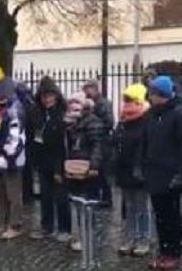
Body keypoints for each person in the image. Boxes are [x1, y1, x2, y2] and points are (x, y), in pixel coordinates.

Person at [140, 76, 182, 269]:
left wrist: (181, 173)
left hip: (171, 174)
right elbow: (146, 142)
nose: (150, 96)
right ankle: (164, 252)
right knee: (160, 216)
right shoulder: (152, 114)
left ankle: (174, 252)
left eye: (153, 93)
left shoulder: (180, 114)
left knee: (172, 217)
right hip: (154, 173)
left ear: (161, 94)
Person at [28, 77, 70, 242]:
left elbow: (64, 143)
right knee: (45, 196)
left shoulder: (61, 113)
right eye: (44, 96)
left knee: (61, 197)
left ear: (56, 95)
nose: (47, 99)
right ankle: (47, 227)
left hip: (58, 160)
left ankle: (65, 228)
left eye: (50, 95)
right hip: (43, 160)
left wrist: (60, 167)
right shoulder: (38, 113)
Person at [63, 92, 106, 251]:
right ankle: (78, 235)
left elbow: (97, 146)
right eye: (71, 103)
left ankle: (88, 236)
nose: (73, 107)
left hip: (87, 167)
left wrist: (94, 166)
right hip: (73, 167)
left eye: (77, 104)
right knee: (75, 201)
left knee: (87, 203)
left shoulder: (92, 123)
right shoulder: (70, 123)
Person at [114, 83, 152, 257]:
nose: (127, 103)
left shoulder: (146, 119)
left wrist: (140, 166)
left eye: (130, 99)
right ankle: (130, 237)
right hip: (124, 169)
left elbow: (147, 146)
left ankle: (143, 238)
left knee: (142, 206)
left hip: (140, 170)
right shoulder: (123, 120)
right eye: (126, 99)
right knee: (129, 207)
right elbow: (116, 140)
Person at [0, 78, 27, 240]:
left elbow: (16, 137)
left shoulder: (14, 110)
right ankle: (4, 222)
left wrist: (9, 155)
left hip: (11, 158)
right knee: (2, 192)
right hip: (3, 158)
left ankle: (15, 225)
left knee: (13, 194)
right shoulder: (4, 108)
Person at [82, 80, 114, 207]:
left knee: (103, 172)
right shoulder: (93, 103)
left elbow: (109, 122)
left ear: (95, 89)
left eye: (87, 89)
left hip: (102, 141)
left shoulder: (103, 104)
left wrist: (96, 124)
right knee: (96, 172)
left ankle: (106, 198)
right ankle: (95, 196)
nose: (85, 92)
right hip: (93, 140)